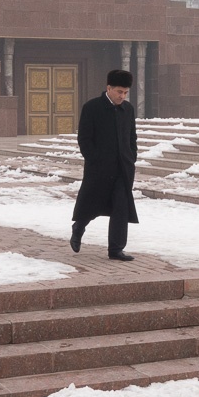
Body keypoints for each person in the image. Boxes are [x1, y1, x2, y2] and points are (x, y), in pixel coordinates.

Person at [71, 69, 139, 261]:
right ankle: (78, 227)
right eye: (119, 92)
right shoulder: (92, 107)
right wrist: (94, 159)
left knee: (120, 206)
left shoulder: (128, 109)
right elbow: (84, 138)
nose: (122, 96)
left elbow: (132, 137)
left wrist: (131, 157)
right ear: (108, 88)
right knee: (92, 204)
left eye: (125, 92)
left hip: (122, 169)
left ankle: (116, 249)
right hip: (99, 168)